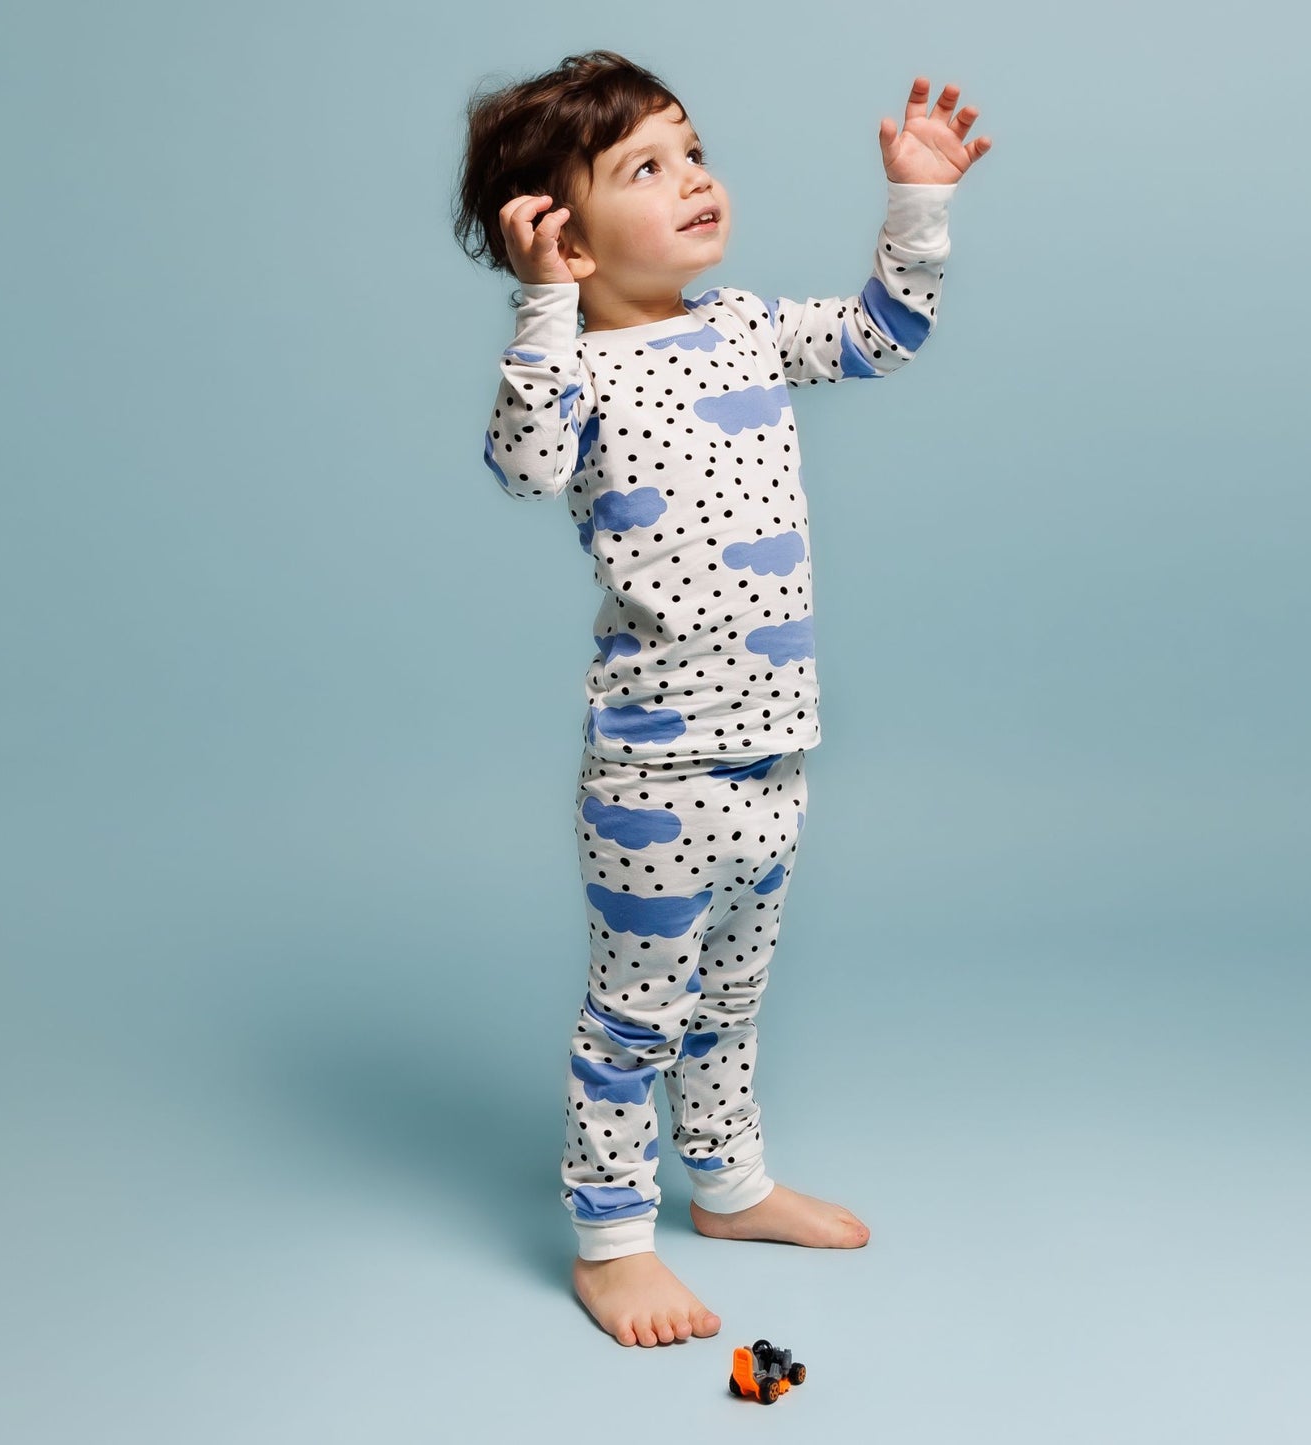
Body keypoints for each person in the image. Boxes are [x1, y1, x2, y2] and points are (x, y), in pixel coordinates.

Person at [453, 49, 990, 1348]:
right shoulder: (569, 373)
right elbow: (521, 467)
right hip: (653, 770)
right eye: (646, 168)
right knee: (633, 1016)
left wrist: (918, 201)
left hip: (772, 754)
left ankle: (731, 1185)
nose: (693, 180)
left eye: (690, 151)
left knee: (733, 999)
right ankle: (610, 1241)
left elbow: (881, 334)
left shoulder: (745, 324)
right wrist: (537, 309)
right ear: (563, 239)